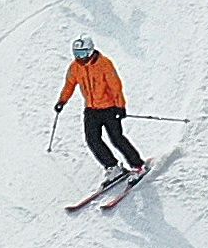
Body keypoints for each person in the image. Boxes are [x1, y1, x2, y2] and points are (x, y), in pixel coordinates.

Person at [55, 36, 144, 181]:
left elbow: (116, 87)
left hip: (109, 109)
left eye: (82, 54)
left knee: (116, 139)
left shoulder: (104, 64)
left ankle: (138, 165)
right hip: (91, 110)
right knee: (92, 140)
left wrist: (120, 106)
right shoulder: (75, 67)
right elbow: (69, 85)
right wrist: (62, 101)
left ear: (90, 51)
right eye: (76, 54)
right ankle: (112, 167)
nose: (79, 57)